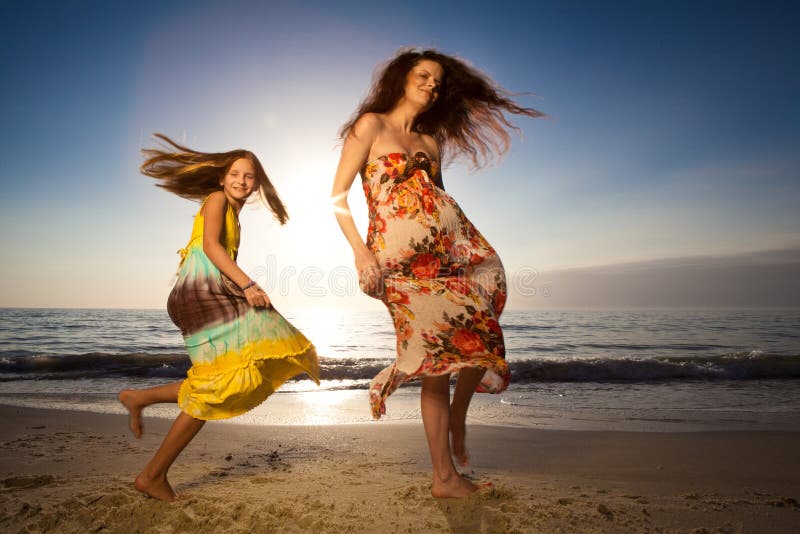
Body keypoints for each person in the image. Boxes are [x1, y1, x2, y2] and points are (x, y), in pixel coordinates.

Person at [331, 49, 543, 498]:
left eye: (438, 81)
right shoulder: (370, 125)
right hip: (396, 263)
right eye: (423, 76)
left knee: (480, 332)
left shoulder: (431, 142)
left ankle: (457, 423)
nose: (431, 85)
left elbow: (439, 199)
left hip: (446, 254)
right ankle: (444, 477)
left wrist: (463, 244)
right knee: (432, 360)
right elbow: (336, 198)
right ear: (401, 79)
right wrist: (360, 254)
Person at [119, 134, 319, 502]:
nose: (242, 181)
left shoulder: (236, 214)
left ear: (257, 184)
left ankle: (140, 398)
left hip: (207, 293)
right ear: (222, 178)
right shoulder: (215, 200)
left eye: (250, 177)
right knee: (221, 384)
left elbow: (219, 255)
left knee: (222, 377)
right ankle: (152, 475)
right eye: (236, 174)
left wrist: (241, 284)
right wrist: (248, 285)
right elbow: (210, 247)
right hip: (199, 295)